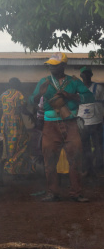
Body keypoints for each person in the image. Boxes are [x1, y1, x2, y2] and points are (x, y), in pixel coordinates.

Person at [30, 52, 94, 202]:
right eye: (50, 65)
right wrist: (40, 93)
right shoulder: (44, 81)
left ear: (63, 66)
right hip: (50, 126)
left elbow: (89, 97)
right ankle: (53, 192)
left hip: (70, 123)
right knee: (50, 160)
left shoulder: (73, 81)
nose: (51, 68)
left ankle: (76, 193)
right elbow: (31, 99)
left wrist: (70, 96)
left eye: (55, 65)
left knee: (75, 158)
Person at [0, 78, 31, 176]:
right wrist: (32, 115)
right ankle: (12, 168)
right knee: (20, 144)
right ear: (17, 84)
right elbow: (23, 109)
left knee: (6, 146)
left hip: (4, 122)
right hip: (15, 122)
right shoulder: (19, 94)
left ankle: (8, 168)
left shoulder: (2, 95)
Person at [77, 66, 104, 177]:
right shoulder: (77, 89)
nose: (86, 76)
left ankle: (99, 170)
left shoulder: (99, 88)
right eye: (84, 74)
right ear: (81, 76)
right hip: (83, 123)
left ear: (91, 75)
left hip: (97, 121)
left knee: (98, 146)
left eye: (88, 74)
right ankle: (88, 169)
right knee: (84, 147)